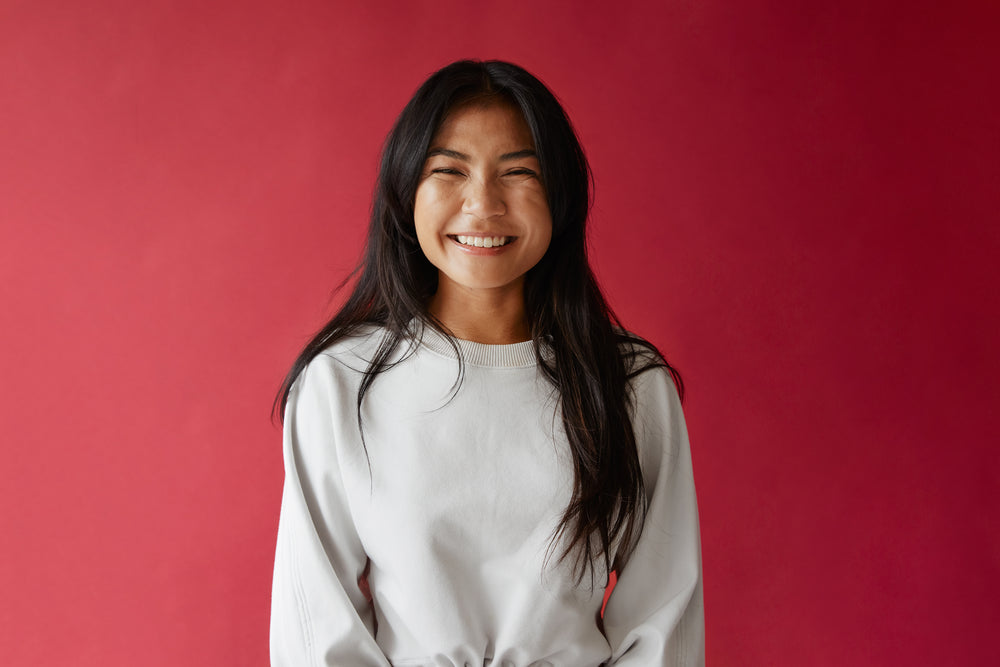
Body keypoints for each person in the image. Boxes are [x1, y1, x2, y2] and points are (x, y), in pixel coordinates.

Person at [270, 59, 704, 667]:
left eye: (519, 172)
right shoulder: (340, 383)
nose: (484, 204)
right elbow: (314, 632)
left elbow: (665, 628)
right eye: (449, 170)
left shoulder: (630, 386)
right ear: (405, 192)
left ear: (560, 195)